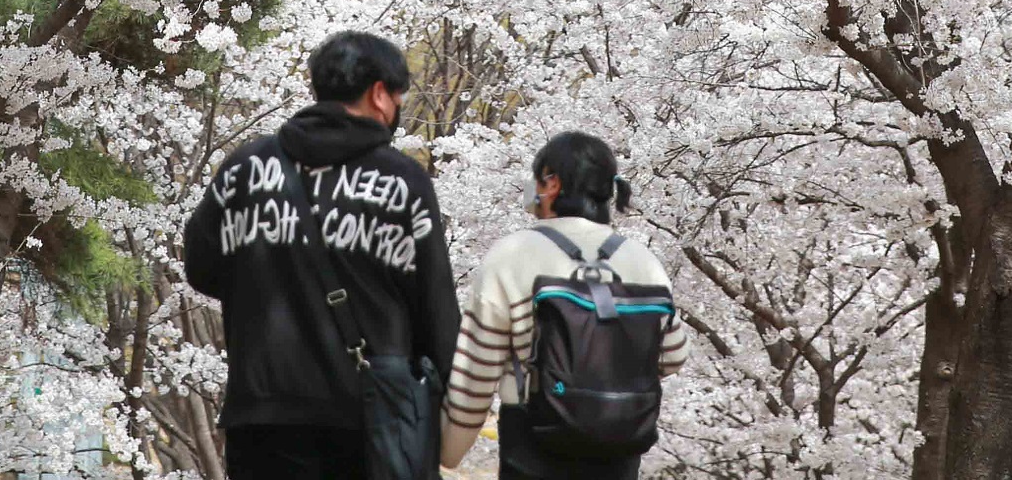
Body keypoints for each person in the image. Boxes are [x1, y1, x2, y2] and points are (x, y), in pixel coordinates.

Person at [183, 31, 459, 480]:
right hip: (371, 420)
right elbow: (436, 307)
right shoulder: (403, 181)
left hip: (262, 417)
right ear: (378, 94)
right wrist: (450, 408)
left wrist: (262, 274)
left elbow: (200, 268)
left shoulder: (244, 170)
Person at [440, 131, 690, 480]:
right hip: (619, 448)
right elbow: (673, 355)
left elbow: (476, 372)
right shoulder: (643, 260)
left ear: (552, 183)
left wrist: (448, 451)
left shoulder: (512, 254)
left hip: (535, 446)